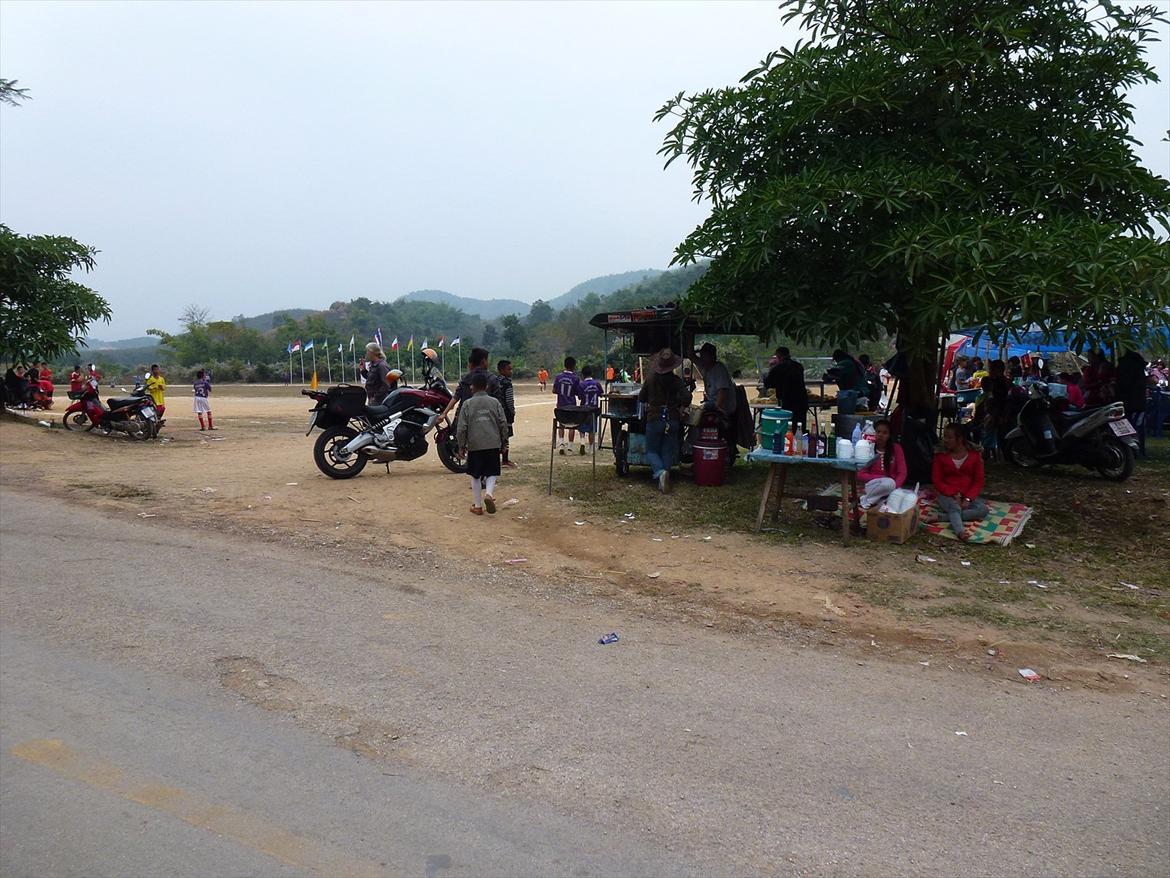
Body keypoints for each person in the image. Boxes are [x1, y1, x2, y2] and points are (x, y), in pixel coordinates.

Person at [637, 348, 691, 493]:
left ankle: (661, 472)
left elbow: (641, 397)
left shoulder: (650, 379)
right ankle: (664, 478)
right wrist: (682, 406)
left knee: (651, 450)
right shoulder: (676, 381)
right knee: (667, 450)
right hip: (672, 418)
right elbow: (687, 397)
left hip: (654, 418)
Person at [456, 371, 508, 516]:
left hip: (475, 444)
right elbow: (503, 423)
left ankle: (478, 506)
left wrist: (461, 446)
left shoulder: (467, 404)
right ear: (486, 386)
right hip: (492, 443)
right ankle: (489, 494)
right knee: (492, 471)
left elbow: (462, 428)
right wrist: (504, 441)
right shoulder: (495, 402)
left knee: (475, 474)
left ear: (472, 387)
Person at [931, 423, 987, 541]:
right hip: (946, 494)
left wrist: (968, 499)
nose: (945, 440)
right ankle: (960, 532)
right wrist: (953, 494)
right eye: (944, 436)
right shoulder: (940, 455)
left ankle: (943, 517)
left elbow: (978, 481)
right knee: (955, 507)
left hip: (967, 493)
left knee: (983, 510)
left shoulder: (974, 455)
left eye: (949, 437)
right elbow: (937, 480)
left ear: (960, 439)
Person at [857, 418, 907, 509]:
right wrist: (881, 478)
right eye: (878, 432)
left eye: (884, 433)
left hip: (893, 487)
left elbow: (902, 473)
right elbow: (861, 474)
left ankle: (875, 500)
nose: (880, 435)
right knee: (888, 483)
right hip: (874, 487)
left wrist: (894, 487)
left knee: (903, 498)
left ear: (889, 435)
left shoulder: (896, 448)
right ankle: (867, 501)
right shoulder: (869, 448)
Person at [762, 346, 808, 429]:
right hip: (802, 400)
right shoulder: (798, 366)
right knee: (800, 427)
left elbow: (768, 383)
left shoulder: (777, 368)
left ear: (779, 356)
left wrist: (769, 370)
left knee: (788, 428)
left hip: (787, 401)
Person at [1116, 349, 1149, 457]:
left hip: (1126, 401)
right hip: (1138, 402)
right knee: (1137, 427)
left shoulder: (1124, 367)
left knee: (1126, 427)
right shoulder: (1139, 368)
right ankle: (1138, 451)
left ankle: (1129, 450)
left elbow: (1122, 384)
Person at [553, 356, 582, 454]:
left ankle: (561, 443)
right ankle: (570, 446)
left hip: (561, 405)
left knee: (561, 424)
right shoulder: (575, 378)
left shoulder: (558, 377)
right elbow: (578, 393)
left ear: (564, 365)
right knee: (572, 425)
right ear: (574, 366)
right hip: (571, 405)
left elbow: (554, 390)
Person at [577, 364, 603, 456]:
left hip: (584, 409)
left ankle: (582, 442)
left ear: (582, 375)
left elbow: (580, 397)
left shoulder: (581, 384)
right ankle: (591, 448)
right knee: (592, 430)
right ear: (591, 373)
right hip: (594, 409)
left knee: (582, 427)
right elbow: (601, 394)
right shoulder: (597, 383)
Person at [496, 359, 516, 468]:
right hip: (505, 413)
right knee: (506, 436)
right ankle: (505, 459)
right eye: (509, 369)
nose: (511, 371)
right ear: (502, 370)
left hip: (495, 412)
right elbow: (509, 400)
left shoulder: (494, 380)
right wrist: (512, 411)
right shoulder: (507, 383)